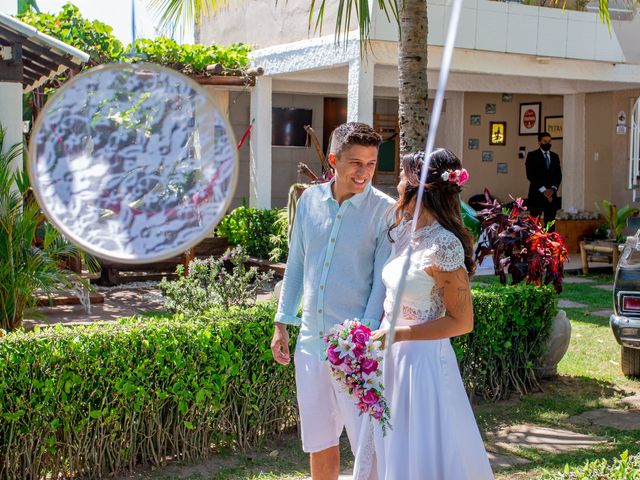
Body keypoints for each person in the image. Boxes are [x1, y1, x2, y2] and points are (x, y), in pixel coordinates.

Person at [353, 149, 494, 480]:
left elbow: (462, 321)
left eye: (403, 177)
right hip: (390, 359)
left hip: (423, 364)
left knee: (420, 449)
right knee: (387, 445)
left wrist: (401, 334)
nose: (398, 183)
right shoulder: (404, 233)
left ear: (420, 187)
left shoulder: (444, 246)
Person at [270, 122, 395, 480]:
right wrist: (282, 323)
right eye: (355, 163)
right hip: (310, 346)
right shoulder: (309, 201)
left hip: (355, 351)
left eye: (371, 164)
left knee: (367, 448)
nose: (364, 172)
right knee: (319, 441)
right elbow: (296, 264)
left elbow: (381, 286)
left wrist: (365, 341)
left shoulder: (385, 211)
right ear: (333, 160)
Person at [526, 132, 562, 229]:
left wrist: (553, 189)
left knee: (550, 224)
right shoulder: (532, 155)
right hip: (536, 195)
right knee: (534, 224)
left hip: (551, 195)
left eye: (549, 141)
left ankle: (549, 243)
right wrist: (544, 190)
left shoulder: (555, 156)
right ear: (539, 142)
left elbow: (558, 175)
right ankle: (534, 244)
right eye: (545, 141)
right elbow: (530, 176)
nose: (548, 143)